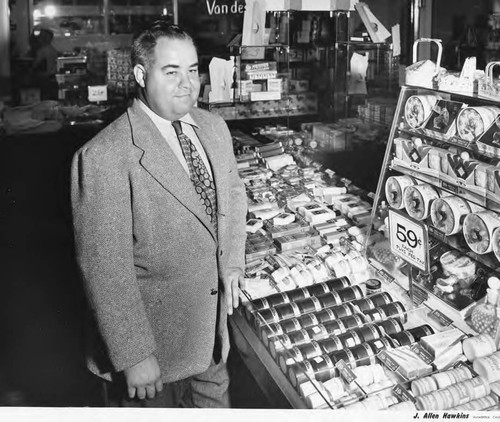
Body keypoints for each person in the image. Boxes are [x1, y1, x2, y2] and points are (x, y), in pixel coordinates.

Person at [70, 21, 247, 407]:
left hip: (210, 340)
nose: (187, 83)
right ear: (140, 75)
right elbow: (104, 265)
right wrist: (133, 353)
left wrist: (232, 261)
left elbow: (233, 195)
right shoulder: (104, 155)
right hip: (153, 356)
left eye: (192, 69)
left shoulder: (214, 128)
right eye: (171, 72)